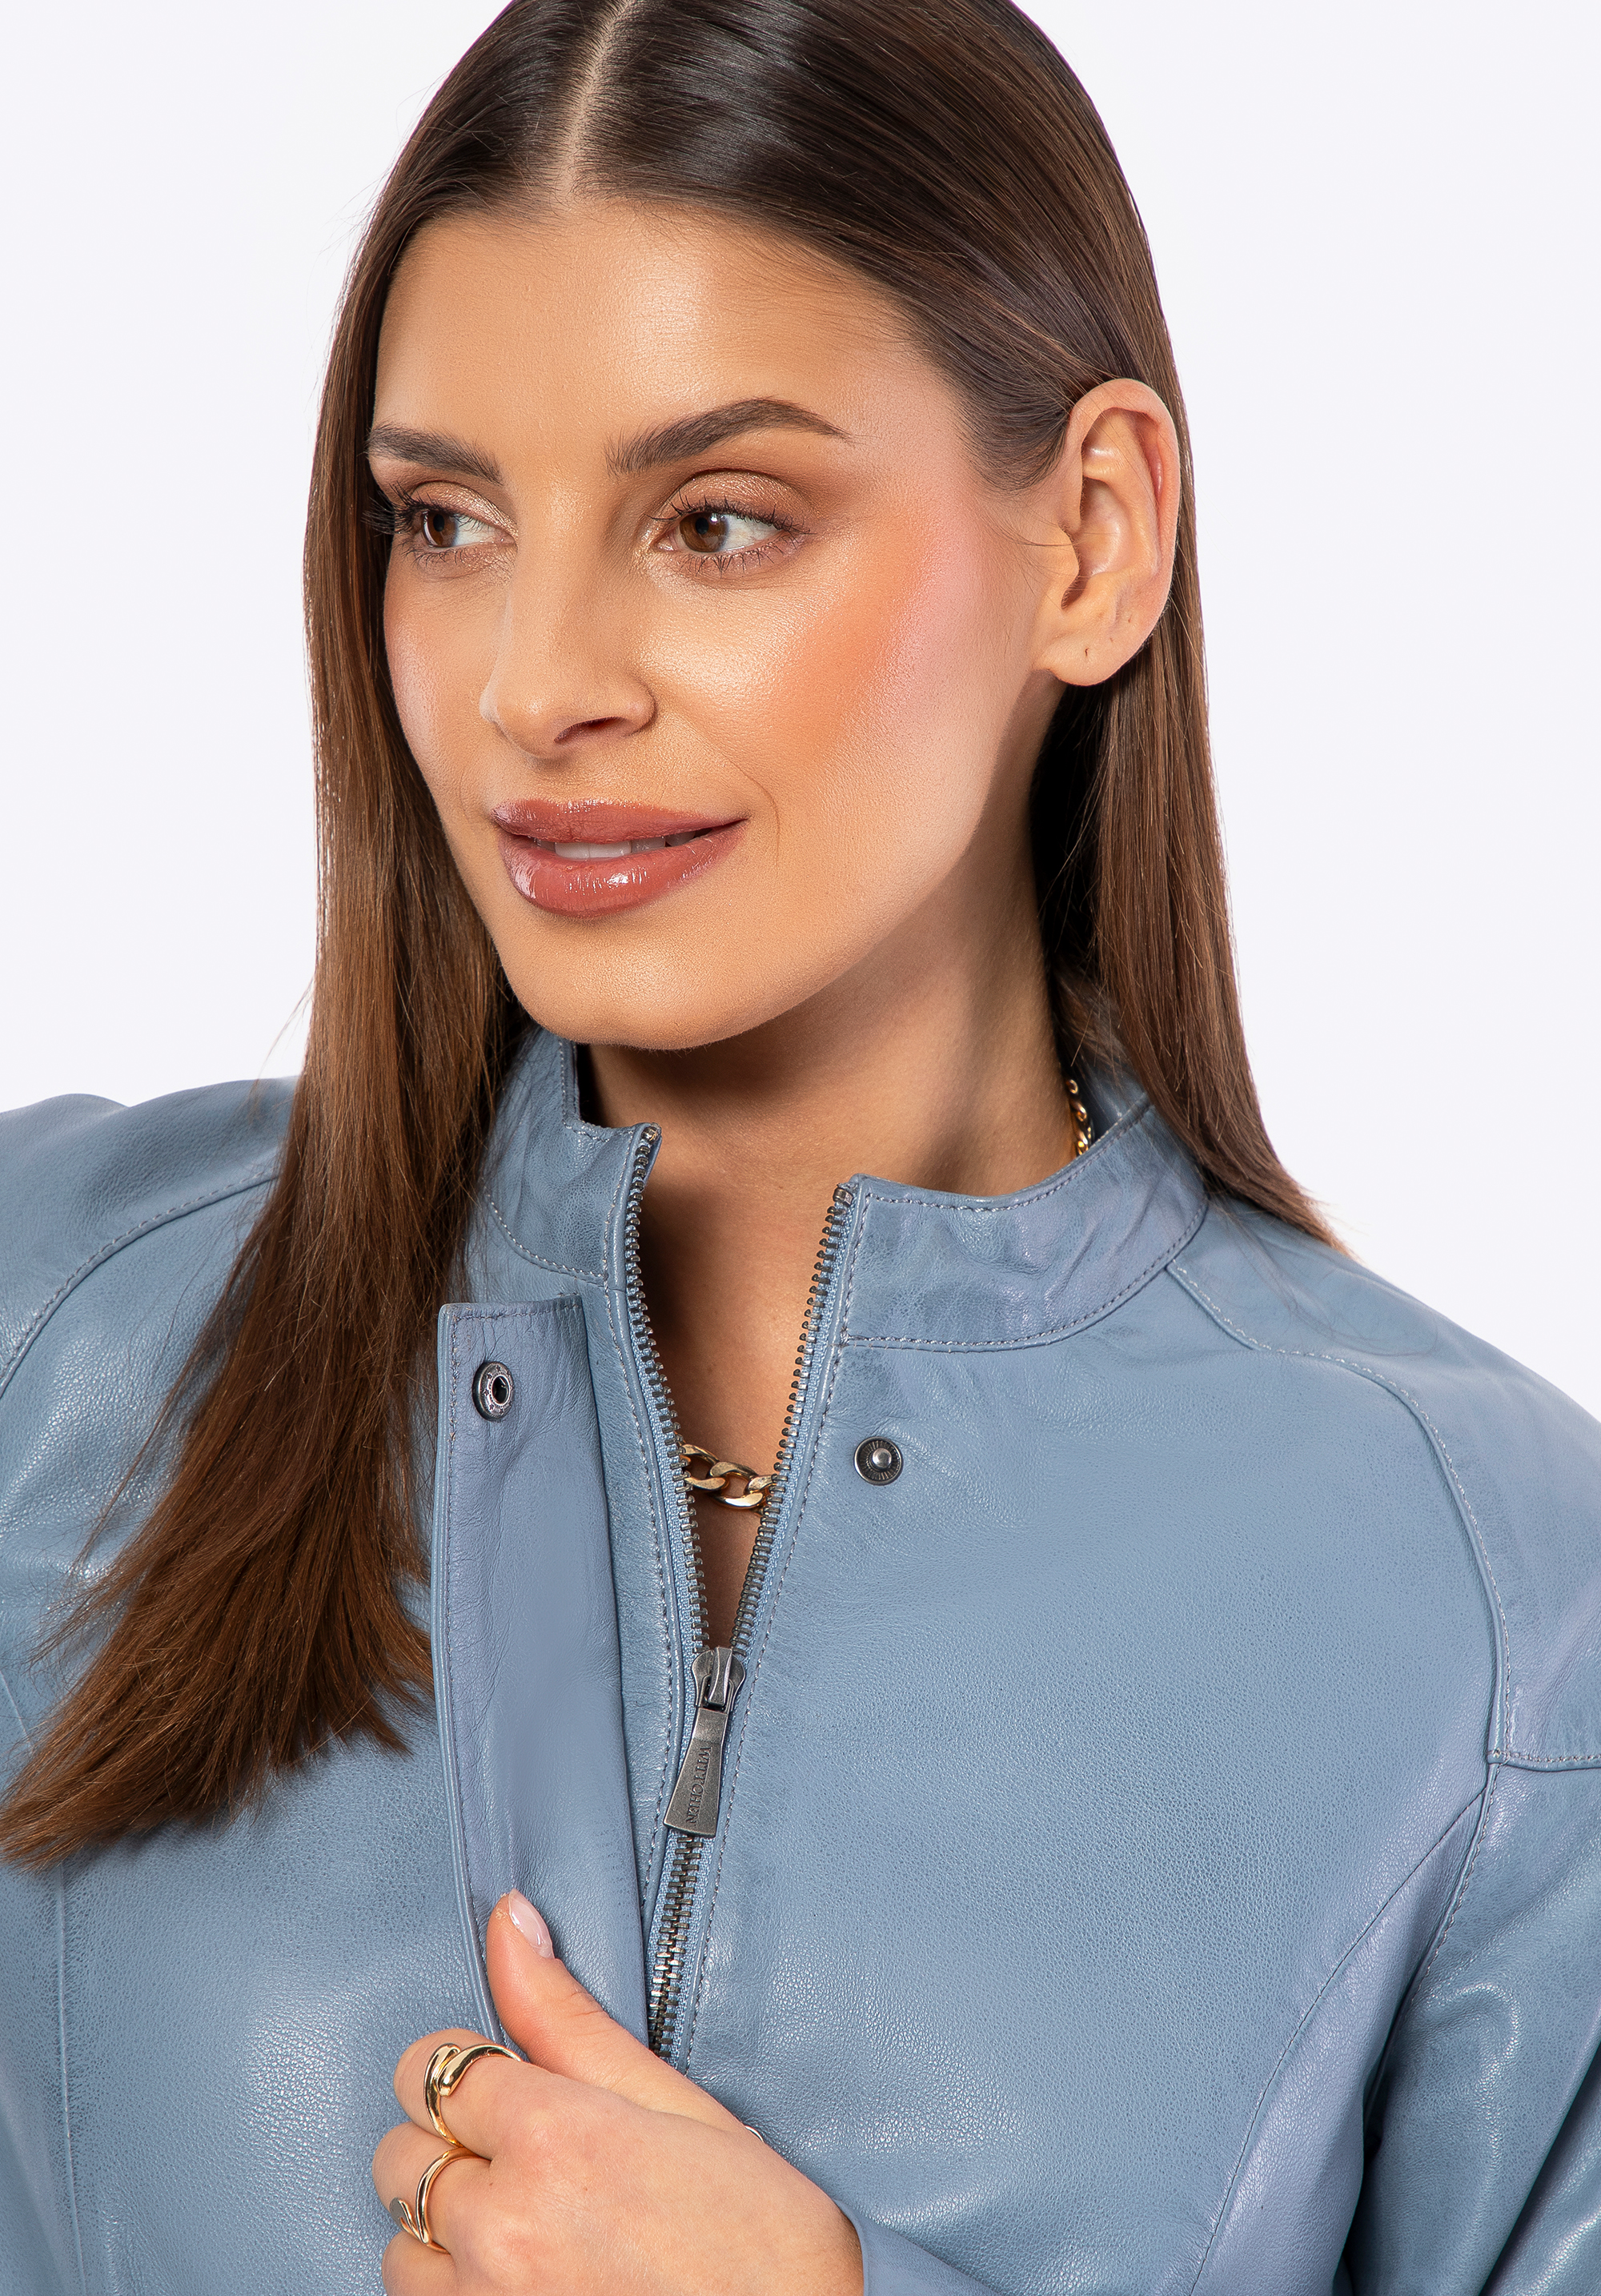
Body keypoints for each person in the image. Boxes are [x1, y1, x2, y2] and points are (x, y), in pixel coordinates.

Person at [2, 0, 1599, 2289]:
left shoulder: (1500, 1599)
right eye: (446, 520)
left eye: (719, 522)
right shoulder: (55, 1337)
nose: (534, 682)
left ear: (1093, 538)